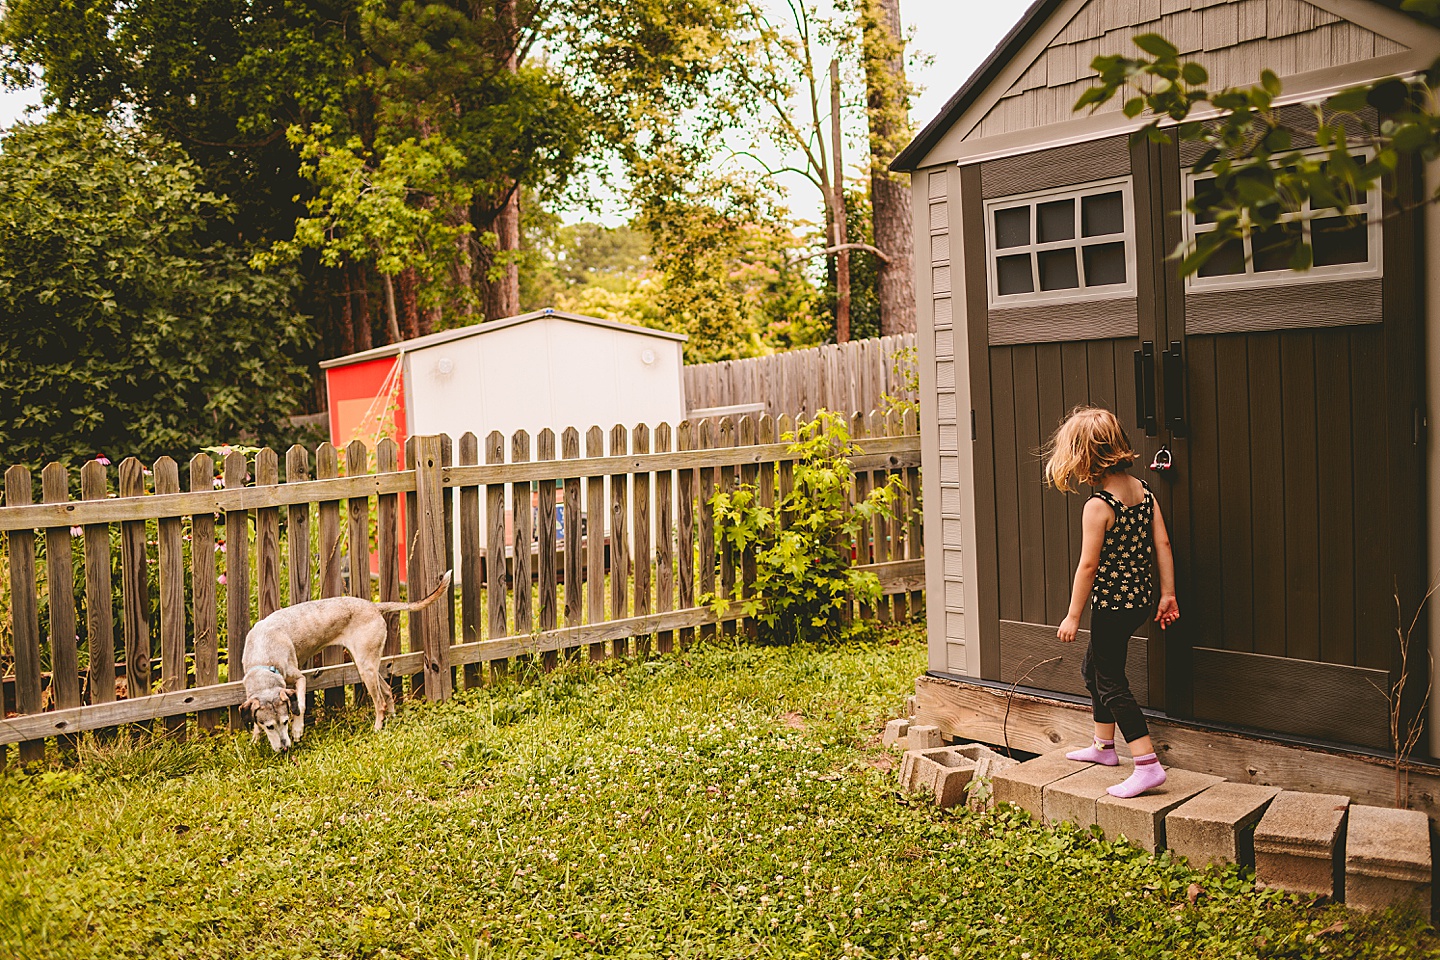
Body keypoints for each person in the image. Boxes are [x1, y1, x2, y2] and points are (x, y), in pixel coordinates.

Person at [1043, 406, 1180, 799]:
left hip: (1112, 606)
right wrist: (1167, 594)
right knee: (1095, 670)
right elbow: (1163, 544)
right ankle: (1104, 748)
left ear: (1084, 458)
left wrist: (1072, 615)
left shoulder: (1098, 505)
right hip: (1138, 599)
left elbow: (1088, 566)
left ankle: (1147, 764)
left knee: (1110, 680)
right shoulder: (1143, 490)